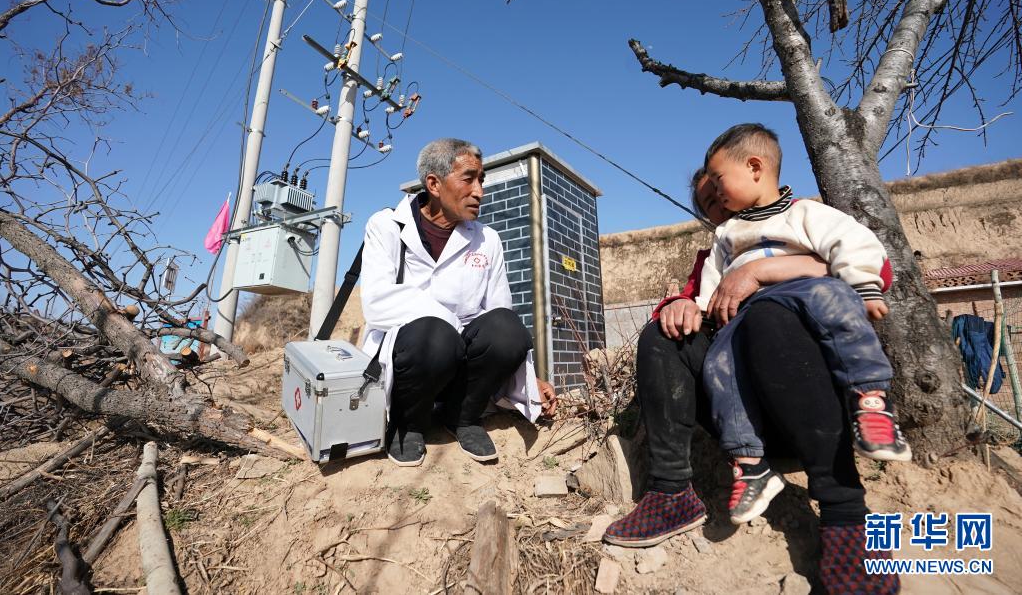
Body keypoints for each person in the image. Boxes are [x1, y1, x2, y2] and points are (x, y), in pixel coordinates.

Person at [603, 166, 899, 594]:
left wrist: (762, 271)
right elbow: (698, 298)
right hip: (741, 422)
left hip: (814, 412)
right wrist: (678, 305)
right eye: (709, 203)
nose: (721, 204)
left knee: (767, 316)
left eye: (721, 191)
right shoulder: (716, 256)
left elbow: (874, 271)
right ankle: (671, 493)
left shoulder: (802, 222)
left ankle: (846, 512)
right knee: (663, 335)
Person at [696, 124, 910, 524]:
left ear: (755, 167)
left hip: (804, 293)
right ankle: (749, 463)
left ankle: (871, 403)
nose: (717, 192)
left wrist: (863, 286)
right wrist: (703, 309)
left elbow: (853, 242)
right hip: (746, 312)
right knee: (718, 366)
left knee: (836, 302)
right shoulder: (726, 233)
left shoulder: (806, 213)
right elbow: (715, 279)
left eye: (719, 179)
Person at [360, 138, 557, 467]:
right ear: (434, 184)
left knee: (509, 328)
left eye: (481, 180)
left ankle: (462, 416)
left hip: (463, 370)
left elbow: (500, 313)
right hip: (414, 361)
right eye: (469, 179)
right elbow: (376, 302)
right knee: (433, 335)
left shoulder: (487, 239)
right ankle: (408, 424)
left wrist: (528, 379)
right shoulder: (387, 226)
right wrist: (448, 325)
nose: (479, 191)